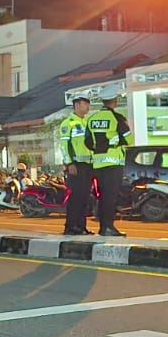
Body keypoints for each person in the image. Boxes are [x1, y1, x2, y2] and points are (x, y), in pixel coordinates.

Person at [86, 89, 129, 236]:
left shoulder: (92, 118)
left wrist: (100, 147)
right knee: (111, 197)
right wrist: (113, 143)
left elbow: (88, 142)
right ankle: (108, 227)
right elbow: (128, 138)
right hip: (113, 163)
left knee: (102, 196)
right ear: (114, 101)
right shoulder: (117, 118)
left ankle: (103, 227)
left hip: (97, 164)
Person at [58, 94, 94, 235]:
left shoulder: (86, 123)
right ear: (77, 104)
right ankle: (71, 226)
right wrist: (70, 163)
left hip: (88, 165)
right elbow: (64, 146)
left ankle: (81, 226)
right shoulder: (68, 123)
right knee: (76, 197)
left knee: (85, 197)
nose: (88, 107)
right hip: (76, 166)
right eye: (85, 104)